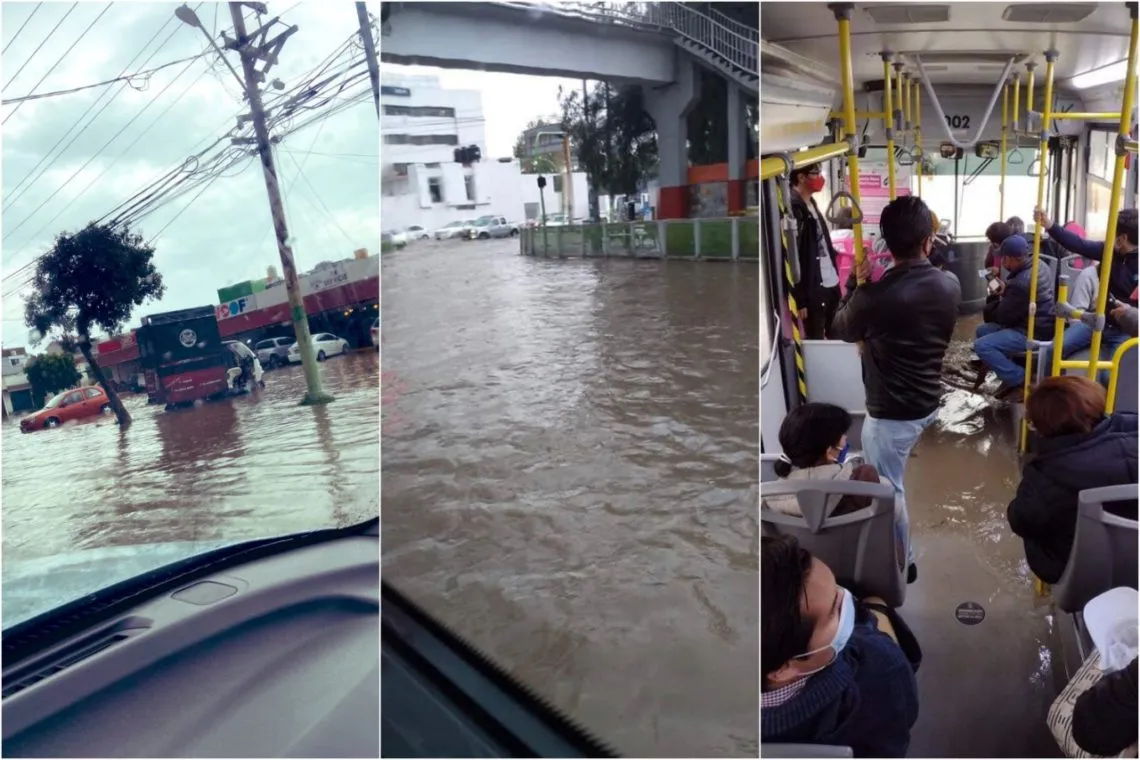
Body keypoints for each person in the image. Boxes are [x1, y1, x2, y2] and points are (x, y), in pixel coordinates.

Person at [830, 195, 961, 583]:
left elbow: (838, 328)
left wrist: (855, 282)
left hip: (890, 414)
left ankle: (905, 561)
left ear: (886, 244)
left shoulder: (874, 297)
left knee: (889, 493)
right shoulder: (950, 285)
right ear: (928, 241)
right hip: (927, 399)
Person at [761, 534, 919, 757]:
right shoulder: (883, 670)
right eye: (834, 609)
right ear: (783, 669)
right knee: (875, 603)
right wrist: (877, 612)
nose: (848, 596)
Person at [1006, 376, 1138, 583]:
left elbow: (1019, 520)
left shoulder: (1042, 480)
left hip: (1082, 572)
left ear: (1042, 428)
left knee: (1035, 527)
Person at [1037, 206, 1138, 378]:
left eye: (1113, 232)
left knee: (1109, 377)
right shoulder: (1109, 251)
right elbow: (1078, 244)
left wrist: (1129, 313)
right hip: (1096, 320)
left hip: (1123, 331)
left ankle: (1108, 406)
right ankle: (1049, 391)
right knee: (1052, 350)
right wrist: (1050, 225)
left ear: (1122, 238)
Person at [974, 234, 1056, 400]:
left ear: (1011, 259)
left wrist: (999, 298)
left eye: (1004, 258)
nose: (1002, 263)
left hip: (1032, 330)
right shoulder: (1039, 265)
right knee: (982, 330)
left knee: (982, 346)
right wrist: (1008, 290)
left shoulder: (1021, 283)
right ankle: (1005, 370)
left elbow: (1004, 317)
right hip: (1044, 322)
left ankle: (1020, 378)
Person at [765, 403, 883, 517]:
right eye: (842, 434)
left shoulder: (768, 497)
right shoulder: (863, 479)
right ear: (829, 451)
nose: (845, 438)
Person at [788, 165, 842, 339]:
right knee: (816, 338)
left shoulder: (812, 204)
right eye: (815, 174)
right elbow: (793, 256)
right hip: (813, 288)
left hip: (831, 281)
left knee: (837, 332)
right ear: (802, 178)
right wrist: (800, 298)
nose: (820, 178)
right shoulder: (795, 210)